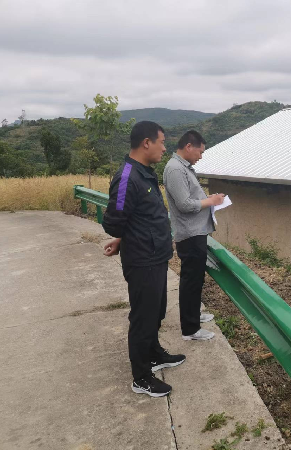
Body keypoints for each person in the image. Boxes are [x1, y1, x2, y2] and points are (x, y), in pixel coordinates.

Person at [102, 121, 186, 397]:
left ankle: (153, 353)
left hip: (155, 256)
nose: (164, 148)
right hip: (142, 260)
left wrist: (123, 238)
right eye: (161, 142)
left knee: (156, 312)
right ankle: (141, 377)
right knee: (143, 317)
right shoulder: (127, 177)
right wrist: (122, 237)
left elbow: (138, 216)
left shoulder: (144, 173)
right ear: (146, 143)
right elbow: (114, 221)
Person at [163, 130, 225, 341]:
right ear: (189, 147)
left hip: (196, 232)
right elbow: (185, 204)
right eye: (200, 152)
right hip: (189, 234)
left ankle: (194, 314)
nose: (201, 156)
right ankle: (190, 329)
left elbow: (192, 198)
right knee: (191, 281)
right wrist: (211, 201)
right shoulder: (175, 169)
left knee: (196, 279)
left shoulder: (183, 167)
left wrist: (210, 199)